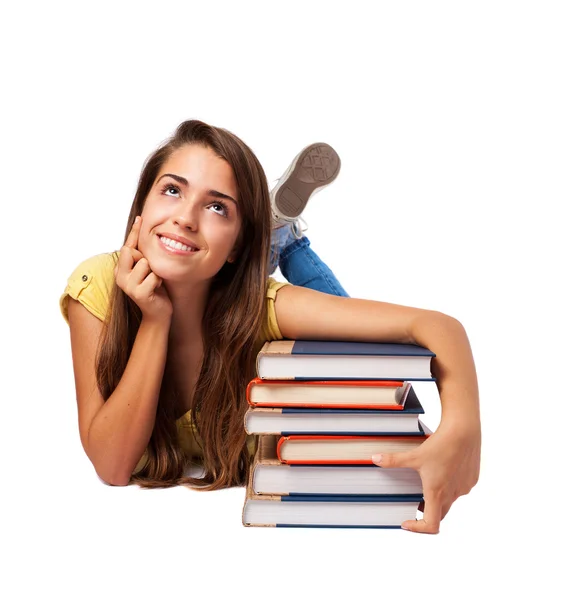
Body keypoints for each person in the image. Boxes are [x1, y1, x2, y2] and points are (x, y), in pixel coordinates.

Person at [59, 120, 481, 535]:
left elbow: (436, 327)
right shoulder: (98, 285)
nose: (185, 218)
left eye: (216, 206)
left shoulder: (264, 306)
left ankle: (283, 241)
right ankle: (280, 239)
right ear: (140, 208)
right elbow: (112, 467)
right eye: (172, 190)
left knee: (357, 363)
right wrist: (155, 319)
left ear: (236, 246)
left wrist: (462, 429)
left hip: (244, 285)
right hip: (219, 270)